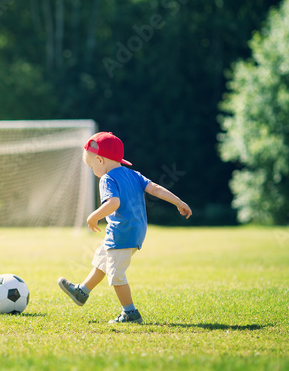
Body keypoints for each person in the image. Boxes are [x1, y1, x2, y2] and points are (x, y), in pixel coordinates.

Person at [58, 131, 192, 324]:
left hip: (122, 232)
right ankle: (82, 292)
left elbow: (113, 203)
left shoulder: (107, 179)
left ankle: (130, 313)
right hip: (135, 231)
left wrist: (93, 216)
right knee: (102, 258)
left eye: (91, 165)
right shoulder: (133, 174)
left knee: (115, 274)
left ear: (100, 160)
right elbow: (155, 188)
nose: (92, 169)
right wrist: (178, 201)